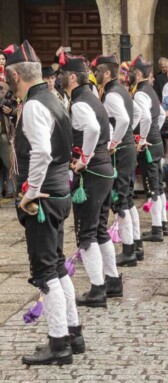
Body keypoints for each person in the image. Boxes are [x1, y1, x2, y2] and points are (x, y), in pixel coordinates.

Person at [4, 40, 81, 365]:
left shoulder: (35, 105)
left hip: (45, 197)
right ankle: (73, 334)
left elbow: (43, 153)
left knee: (44, 270)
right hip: (59, 192)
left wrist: (30, 192)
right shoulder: (53, 98)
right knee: (56, 265)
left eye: (6, 75)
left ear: (15, 76)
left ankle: (59, 343)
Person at [59, 52, 122, 308]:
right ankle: (113, 281)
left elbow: (94, 130)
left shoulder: (80, 102)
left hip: (92, 173)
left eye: (61, 74)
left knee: (86, 233)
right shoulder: (93, 98)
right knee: (98, 230)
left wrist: (83, 158)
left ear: (72, 77)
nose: (58, 78)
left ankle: (97, 289)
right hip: (104, 170)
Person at [92, 53, 142, 267]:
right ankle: (135, 245)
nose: (94, 75)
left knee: (120, 200)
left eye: (97, 72)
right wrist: (128, 136)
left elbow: (123, 119)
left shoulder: (112, 93)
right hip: (127, 147)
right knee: (127, 197)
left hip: (120, 151)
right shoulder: (121, 90)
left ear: (106, 73)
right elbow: (138, 113)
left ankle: (129, 251)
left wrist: (114, 142)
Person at [129, 54, 168, 242]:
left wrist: (143, 139)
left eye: (131, 72)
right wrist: (155, 132)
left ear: (137, 74)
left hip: (149, 146)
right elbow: (161, 115)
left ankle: (157, 229)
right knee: (158, 185)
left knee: (152, 187)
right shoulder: (151, 90)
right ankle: (163, 223)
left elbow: (144, 117)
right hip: (157, 142)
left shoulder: (140, 92)